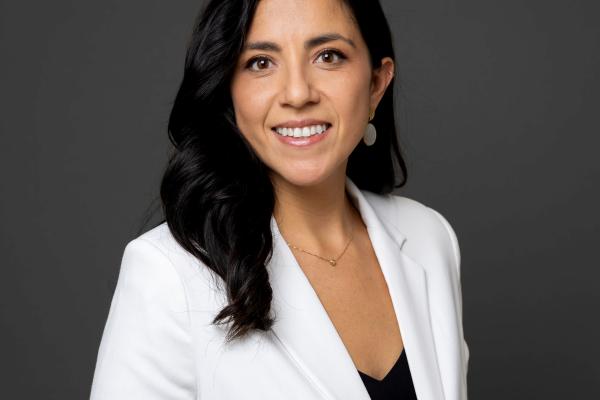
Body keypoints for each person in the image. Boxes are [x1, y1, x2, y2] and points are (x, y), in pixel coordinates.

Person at [89, 0, 469, 399]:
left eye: (328, 55)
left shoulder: (430, 238)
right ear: (228, 89)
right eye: (260, 62)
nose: (297, 93)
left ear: (377, 83)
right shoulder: (167, 274)